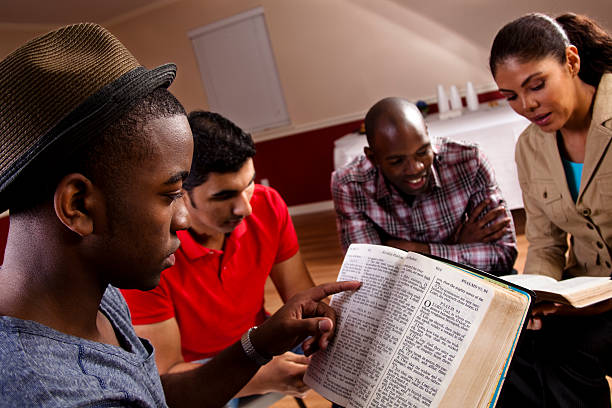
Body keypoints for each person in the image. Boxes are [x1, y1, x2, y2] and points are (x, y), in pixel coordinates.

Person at [0, 23, 361, 407]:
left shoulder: (94, 295)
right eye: (171, 193)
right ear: (79, 205)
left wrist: (257, 346)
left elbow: (155, 395)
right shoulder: (53, 394)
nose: (183, 219)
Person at [121, 110, 316, 401]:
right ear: (181, 193)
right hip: (196, 373)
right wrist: (258, 375)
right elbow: (165, 378)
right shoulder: (146, 252)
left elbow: (304, 300)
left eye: (248, 185)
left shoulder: (267, 203)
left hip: (259, 343)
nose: (246, 209)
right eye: (224, 196)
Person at [489, 12, 612, 407]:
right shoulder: (530, 146)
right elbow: (543, 243)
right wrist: (536, 295)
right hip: (587, 296)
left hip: (600, 305)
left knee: (570, 350)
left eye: (536, 85)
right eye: (510, 96)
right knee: (520, 348)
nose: (526, 105)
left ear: (572, 62)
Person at [331, 97, 517, 275]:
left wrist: (416, 251)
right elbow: (371, 273)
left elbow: (503, 256)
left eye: (422, 152)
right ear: (373, 158)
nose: (415, 168)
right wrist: (456, 247)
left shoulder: (469, 161)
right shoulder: (350, 185)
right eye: (397, 161)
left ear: (427, 134)